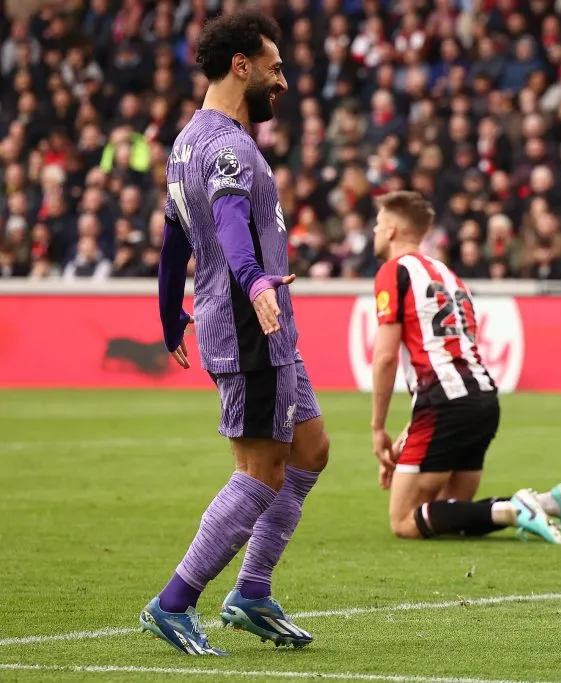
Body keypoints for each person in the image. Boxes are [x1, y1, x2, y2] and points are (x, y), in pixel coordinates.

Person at [142, 9, 330, 655]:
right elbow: (226, 224)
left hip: (268, 326)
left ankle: (252, 591)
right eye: (275, 69)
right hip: (251, 324)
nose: (283, 82)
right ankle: (175, 600)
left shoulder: (188, 141)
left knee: (309, 448)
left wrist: (170, 312)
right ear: (240, 66)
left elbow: (173, 239)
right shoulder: (225, 146)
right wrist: (252, 281)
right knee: (260, 470)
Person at [370, 191, 561, 543]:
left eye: (376, 225)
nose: (374, 232)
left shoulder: (393, 271)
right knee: (450, 511)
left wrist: (377, 427)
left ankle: (515, 509)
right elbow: (452, 355)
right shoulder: (449, 275)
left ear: (389, 231)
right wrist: (408, 436)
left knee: (404, 521)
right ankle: (551, 503)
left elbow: (386, 357)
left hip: (445, 402)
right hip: (482, 399)